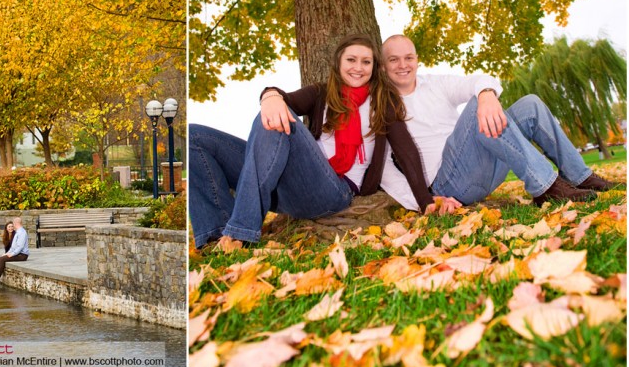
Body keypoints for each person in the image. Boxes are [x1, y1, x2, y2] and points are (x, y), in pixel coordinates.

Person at [190, 33, 457, 249]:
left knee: (281, 120)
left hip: (331, 190)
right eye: (351, 60)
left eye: (366, 62)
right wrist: (270, 95)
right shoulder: (320, 94)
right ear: (339, 64)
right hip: (280, 184)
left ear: (375, 68)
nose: (358, 67)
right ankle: (217, 235)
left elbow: (406, 150)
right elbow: (285, 99)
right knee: (195, 137)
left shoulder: (382, 103)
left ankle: (242, 233)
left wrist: (426, 201)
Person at [378, 34, 617, 210]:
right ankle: (546, 188)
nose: (403, 65)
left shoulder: (435, 84)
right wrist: (425, 202)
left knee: (530, 105)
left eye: (408, 57)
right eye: (394, 60)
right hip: (448, 184)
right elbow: (384, 171)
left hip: (483, 168)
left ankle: (580, 176)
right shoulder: (381, 106)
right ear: (383, 65)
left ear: (417, 59)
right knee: (475, 109)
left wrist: (486, 94)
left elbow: (480, 79)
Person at [0, 217, 29, 284]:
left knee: (2, 259)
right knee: (1, 258)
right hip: (18, 253)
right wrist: (8, 253)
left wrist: (12, 254)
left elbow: (20, 247)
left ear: (16, 223)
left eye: (13, 224)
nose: (13, 226)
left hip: (22, 255)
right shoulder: (18, 232)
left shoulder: (22, 233)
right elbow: (13, 247)